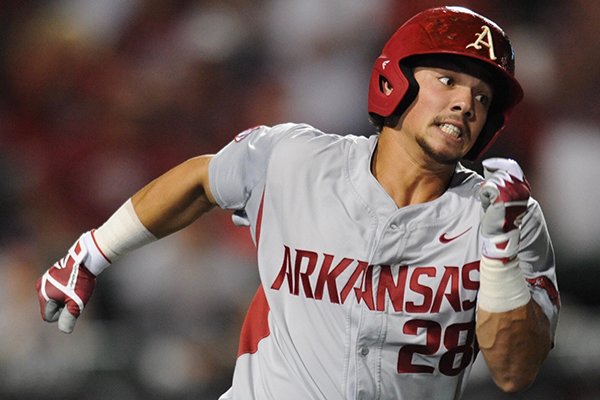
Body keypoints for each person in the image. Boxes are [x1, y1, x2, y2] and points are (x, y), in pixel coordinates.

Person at [36, 6, 559, 400]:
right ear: (393, 80)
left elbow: (515, 370)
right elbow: (201, 178)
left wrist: (500, 254)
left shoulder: (505, 218)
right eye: (447, 80)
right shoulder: (297, 160)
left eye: (482, 96)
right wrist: (92, 251)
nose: (465, 103)